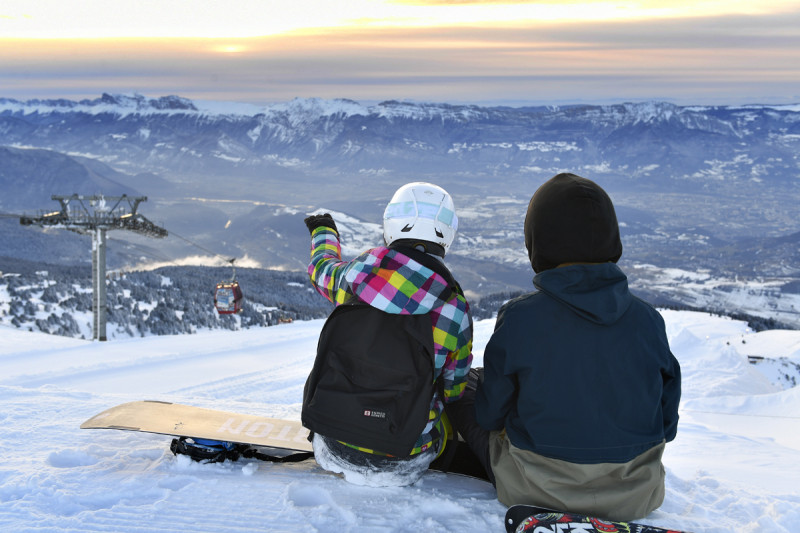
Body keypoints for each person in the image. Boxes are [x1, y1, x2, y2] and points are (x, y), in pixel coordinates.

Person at [447, 172, 681, 521]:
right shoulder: (648, 320)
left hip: (536, 487)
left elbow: (489, 416)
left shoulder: (520, 318)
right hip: (636, 493)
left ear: (537, 240)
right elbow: (667, 425)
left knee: (465, 386)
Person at [302, 182, 473, 486]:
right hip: (405, 458)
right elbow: (453, 390)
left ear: (391, 223)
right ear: (447, 234)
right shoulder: (453, 309)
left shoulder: (356, 277)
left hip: (331, 442)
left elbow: (321, 269)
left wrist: (323, 231)